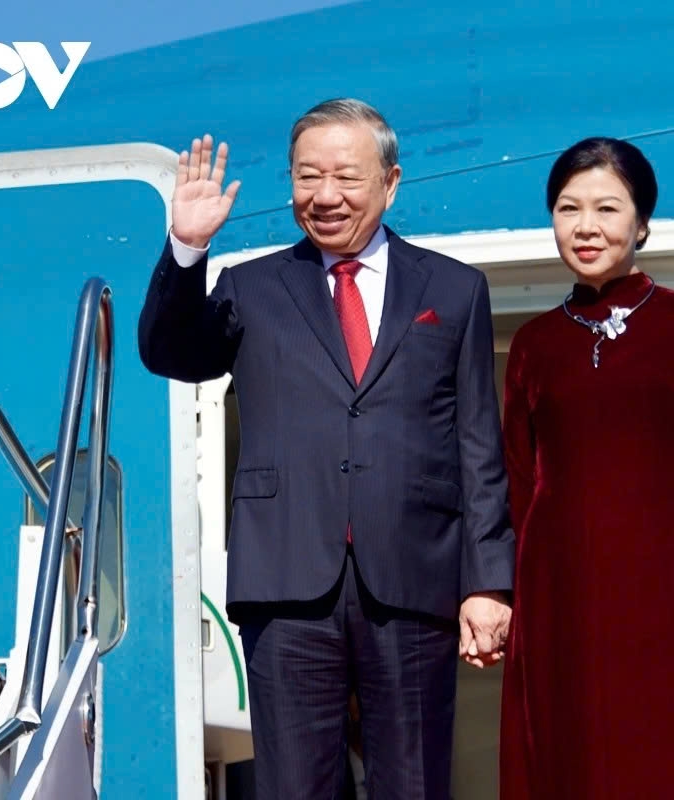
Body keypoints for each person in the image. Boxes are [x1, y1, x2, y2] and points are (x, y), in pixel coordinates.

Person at [137, 98, 515, 799]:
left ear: (390, 182)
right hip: (286, 579)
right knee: (295, 786)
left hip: (412, 576)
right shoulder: (251, 286)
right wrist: (187, 250)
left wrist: (487, 582)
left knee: (415, 781)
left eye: (346, 175)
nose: (326, 195)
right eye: (308, 176)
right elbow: (170, 352)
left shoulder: (455, 290)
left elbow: (477, 445)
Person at [497, 137, 674, 799]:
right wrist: (505, 593)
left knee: (665, 742)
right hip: (558, 581)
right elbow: (517, 475)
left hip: (666, 575)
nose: (586, 226)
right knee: (566, 742)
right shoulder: (535, 344)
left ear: (642, 222)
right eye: (568, 209)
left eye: (606, 208)